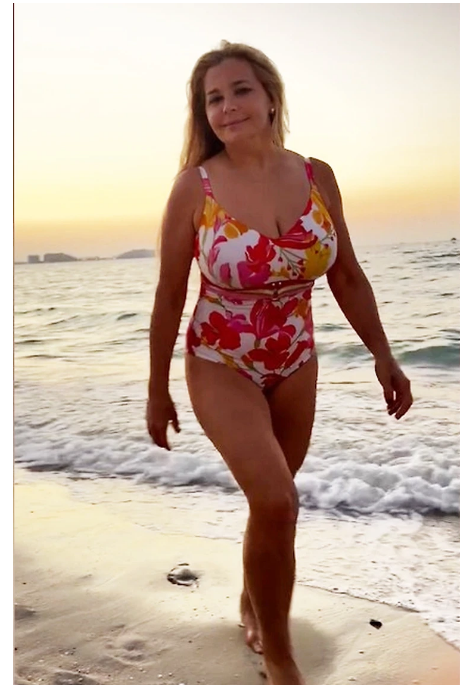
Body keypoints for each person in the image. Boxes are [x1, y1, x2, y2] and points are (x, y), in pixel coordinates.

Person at [146, 41, 413, 685]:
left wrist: (384, 355)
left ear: (271, 97)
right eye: (214, 98)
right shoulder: (195, 187)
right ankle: (281, 659)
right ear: (204, 113)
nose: (228, 106)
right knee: (277, 498)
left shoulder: (317, 175)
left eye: (240, 90)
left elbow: (346, 275)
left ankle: (253, 599)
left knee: (274, 505)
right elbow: (170, 292)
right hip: (220, 359)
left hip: (296, 359)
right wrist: (157, 389)